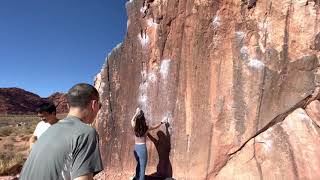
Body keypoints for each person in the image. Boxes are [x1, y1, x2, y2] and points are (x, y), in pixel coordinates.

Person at [20, 83, 103, 180]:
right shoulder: (86, 132)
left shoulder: (50, 130)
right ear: (94, 105)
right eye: (99, 105)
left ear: (68, 106)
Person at [131, 108, 166, 180]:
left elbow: (132, 120)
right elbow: (155, 126)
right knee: (142, 168)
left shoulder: (134, 126)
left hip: (136, 148)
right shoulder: (146, 128)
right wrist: (162, 122)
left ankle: (137, 178)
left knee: (138, 164)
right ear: (143, 119)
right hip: (142, 149)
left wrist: (136, 113)